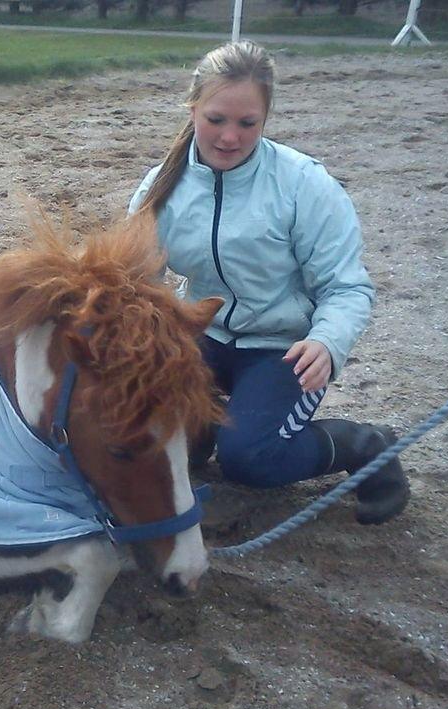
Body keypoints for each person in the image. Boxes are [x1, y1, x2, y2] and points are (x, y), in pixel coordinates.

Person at [127, 40, 409, 524]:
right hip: (205, 335)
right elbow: (138, 283)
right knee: (138, 423)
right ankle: (200, 431)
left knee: (249, 459)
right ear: (193, 108)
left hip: (283, 348)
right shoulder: (162, 185)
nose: (230, 137)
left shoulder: (303, 184)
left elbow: (347, 287)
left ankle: (368, 446)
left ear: (266, 118)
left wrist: (327, 341)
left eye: (247, 123)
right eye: (216, 119)